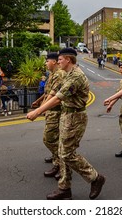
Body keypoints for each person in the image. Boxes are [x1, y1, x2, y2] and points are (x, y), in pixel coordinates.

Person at [27, 48, 106, 200]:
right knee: (63, 153)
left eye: (60, 59)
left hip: (75, 117)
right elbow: (53, 92)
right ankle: (64, 188)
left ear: (68, 60)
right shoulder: (68, 74)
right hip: (67, 115)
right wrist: (40, 104)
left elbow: (58, 98)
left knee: (67, 154)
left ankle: (95, 178)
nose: (58, 62)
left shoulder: (76, 76)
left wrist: (37, 112)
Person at [31, 52, 66, 180]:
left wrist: (39, 110)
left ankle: (61, 164)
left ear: (54, 62)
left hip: (56, 111)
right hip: (50, 109)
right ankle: (58, 162)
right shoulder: (51, 74)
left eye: (47, 61)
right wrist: (39, 101)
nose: (45, 63)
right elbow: (47, 92)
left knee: (50, 139)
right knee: (53, 139)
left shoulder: (59, 75)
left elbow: (54, 94)